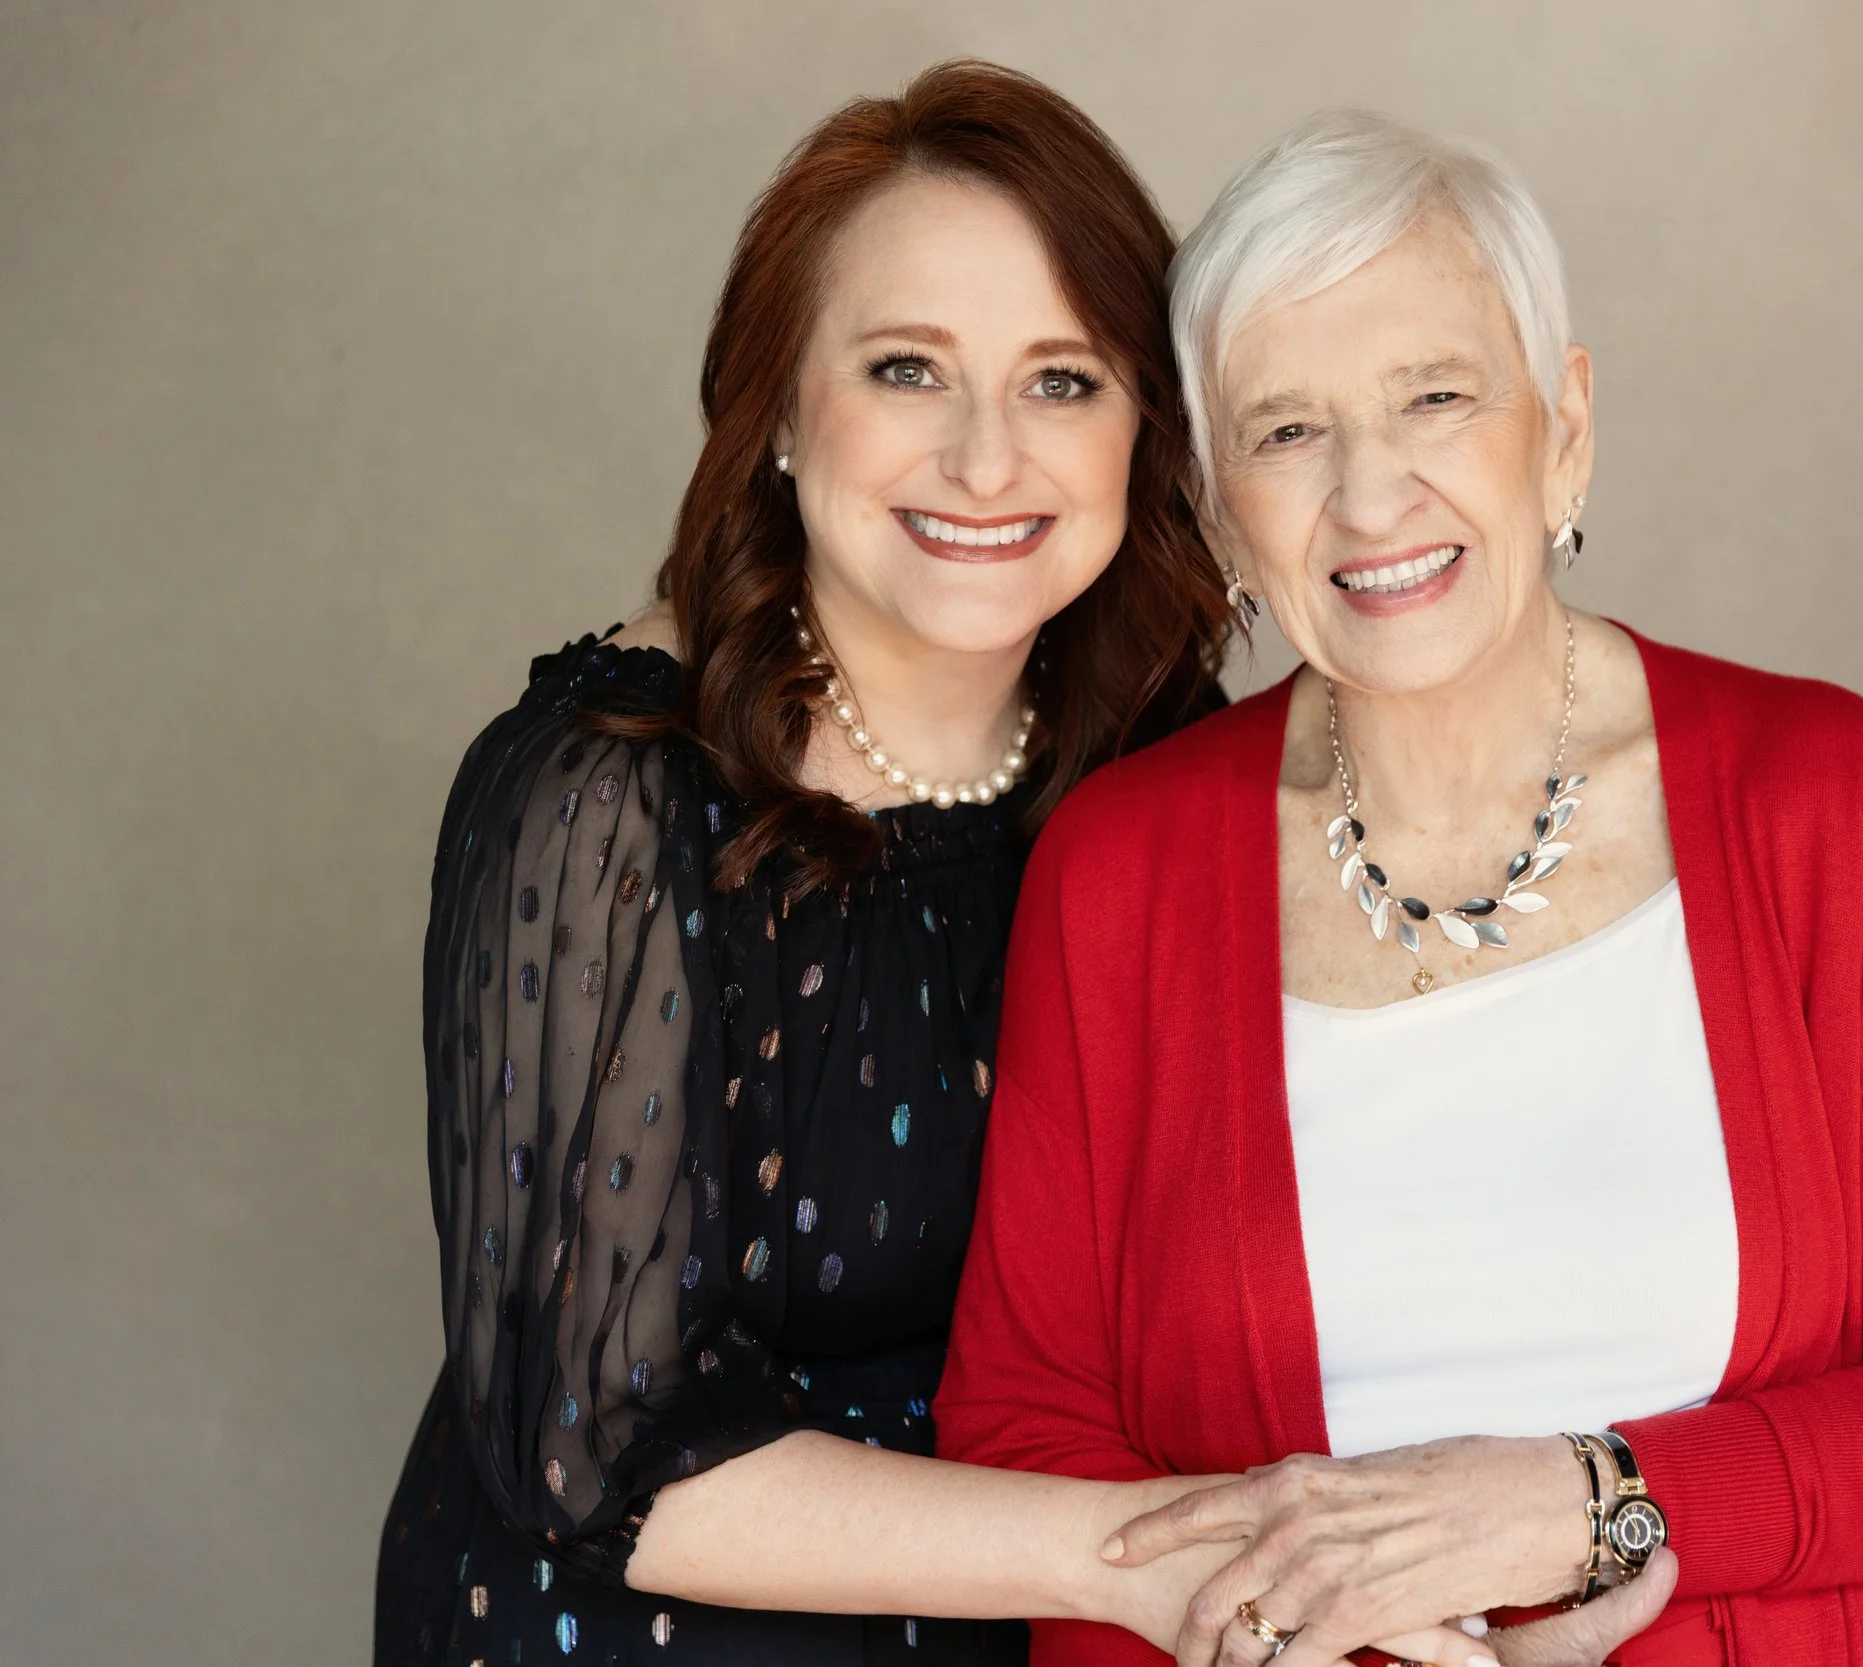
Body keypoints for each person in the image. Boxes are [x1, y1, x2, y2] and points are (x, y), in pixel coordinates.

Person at [375, 62, 1659, 1667]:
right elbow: (596, 1446)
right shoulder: (610, 801)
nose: (988, 459)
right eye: (907, 368)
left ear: (1151, 436)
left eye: (1063, 380)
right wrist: (1163, 1564)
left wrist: (1461, 1580)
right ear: (778, 410)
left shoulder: (1160, 772)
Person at [935, 110, 1863, 1667]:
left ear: (1565, 428)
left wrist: (1580, 1501)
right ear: (1214, 512)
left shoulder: (1815, 792)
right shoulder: (1117, 873)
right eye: (1287, 431)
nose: (1371, 495)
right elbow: (1029, 1427)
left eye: (1436, 396)